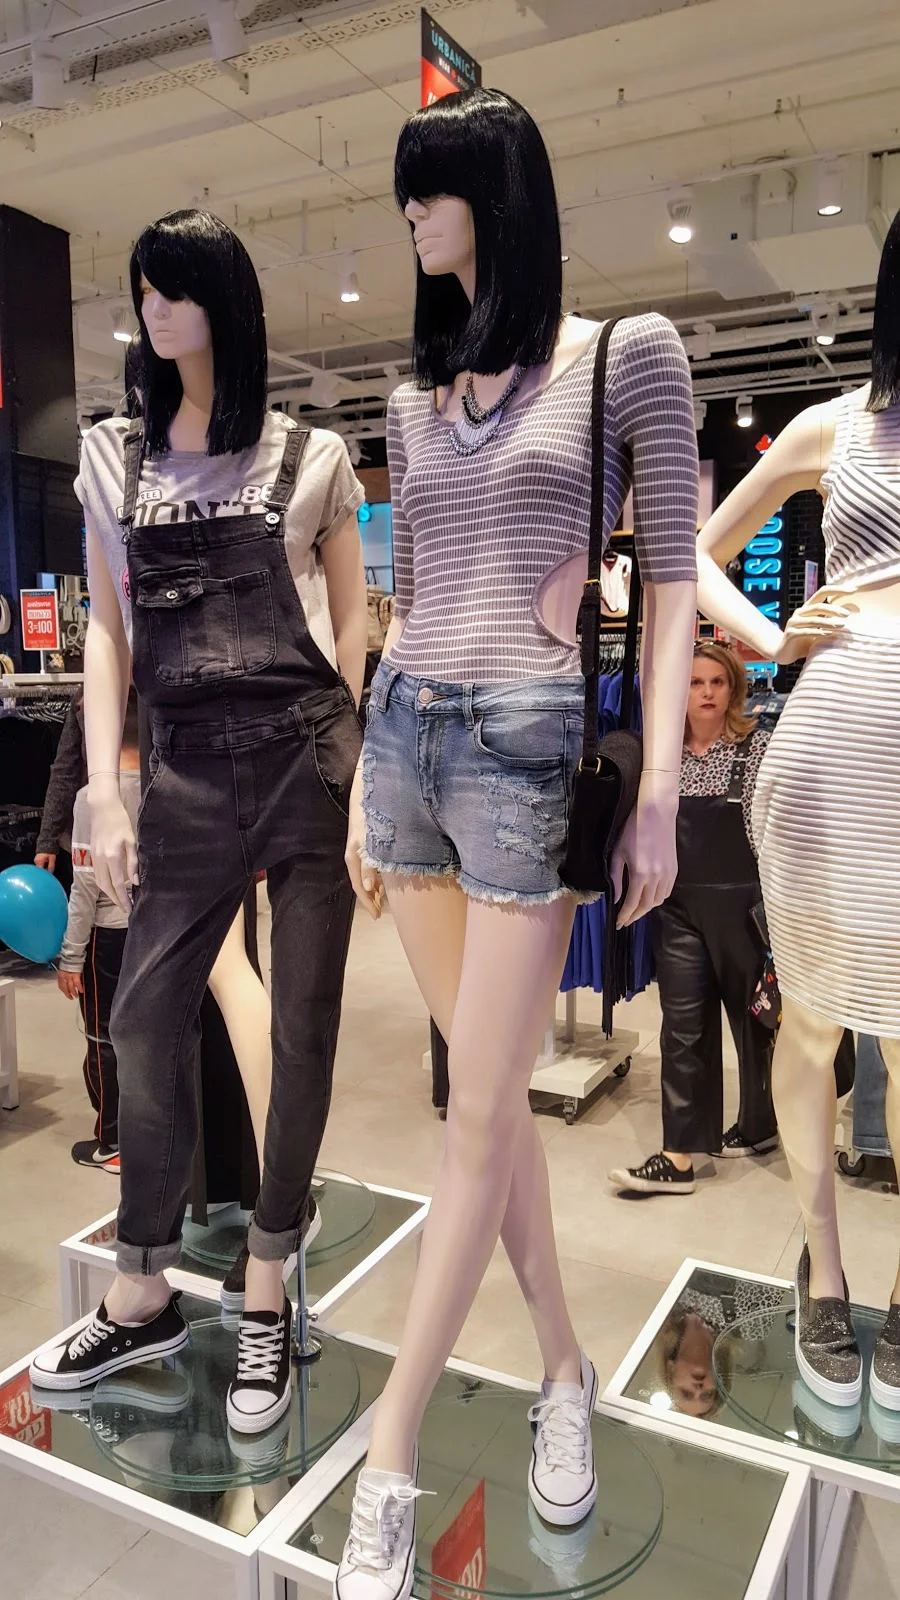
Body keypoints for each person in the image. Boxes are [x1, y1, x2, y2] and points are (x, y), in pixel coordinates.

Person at [335, 89, 699, 1600]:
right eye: (407, 197)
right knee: (487, 1111)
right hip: (408, 745)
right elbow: (411, 596)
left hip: (527, 757)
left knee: (475, 1119)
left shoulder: (627, 356)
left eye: (431, 191)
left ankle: (391, 1456)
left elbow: (671, 583)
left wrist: (661, 785)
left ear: (497, 194)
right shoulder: (416, 399)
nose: (413, 219)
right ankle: (564, 1365)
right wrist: (362, 785)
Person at [30, 209, 368, 1438]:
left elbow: (353, 619)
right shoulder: (113, 460)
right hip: (182, 777)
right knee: (142, 1011)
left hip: (305, 761)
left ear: (226, 301)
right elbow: (108, 633)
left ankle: (268, 1280)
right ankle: (143, 1287)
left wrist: (358, 771)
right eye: (143, 292)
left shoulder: (311, 458)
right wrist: (102, 786)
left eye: (173, 289)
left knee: (304, 1026)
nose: (153, 311)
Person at [692, 205, 900, 1413]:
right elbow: (697, 548)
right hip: (829, 757)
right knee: (813, 1021)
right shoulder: (838, 426)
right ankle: (825, 1269)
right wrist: (771, 638)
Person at [609, 643, 777, 1197]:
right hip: (678, 910)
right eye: (694, 682)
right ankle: (678, 1155)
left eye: (717, 682)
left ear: (733, 689)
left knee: (758, 1027)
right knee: (682, 1027)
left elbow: (775, 838)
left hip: (746, 911)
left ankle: (761, 1124)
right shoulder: (661, 759)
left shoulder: (756, 749)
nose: (706, 693)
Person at [57, 689, 142, 1174]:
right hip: (153, 933)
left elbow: (85, 886)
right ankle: (149, 1136)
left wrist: (70, 957)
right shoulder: (159, 785)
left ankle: (112, 1142)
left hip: (106, 941)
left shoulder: (93, 800)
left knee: (102, 1039)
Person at [34, 688, 86, 876]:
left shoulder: (156, 690)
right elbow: (66, 769)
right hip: (91, 821)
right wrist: (47, 840)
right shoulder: (84, 698)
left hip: (152, 813)